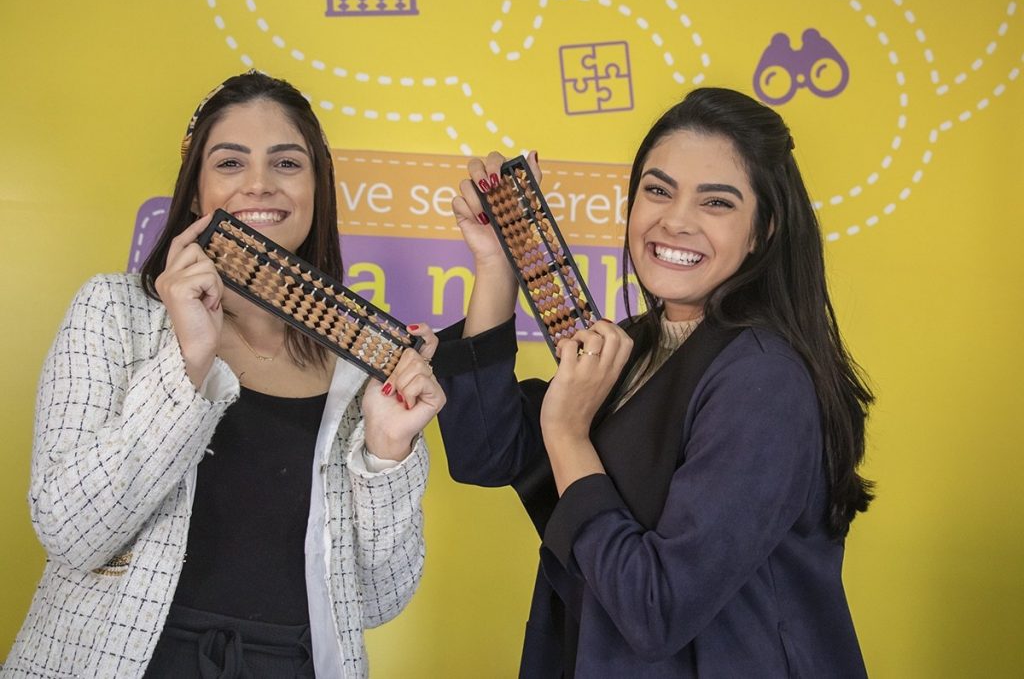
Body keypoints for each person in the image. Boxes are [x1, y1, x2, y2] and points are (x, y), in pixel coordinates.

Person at [2, 70, 443, 679]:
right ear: (195, 192)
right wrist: (187, 363)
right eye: (230, 164)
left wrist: (387, 452)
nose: (259, 184)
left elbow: (376, 600)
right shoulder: (114, 312)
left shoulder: (362, 369)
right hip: (122, 661)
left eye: (287, 164)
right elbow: (73, 533)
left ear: (317, 190)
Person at [426, 87, 874, 676]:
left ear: (763, 230)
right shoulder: (632, 346)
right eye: (658, 190)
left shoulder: (764, 379)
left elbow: (656, 608)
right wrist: (496, 266)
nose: (675, 220)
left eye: (716, 203)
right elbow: (485, 451)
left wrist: (567, 433)